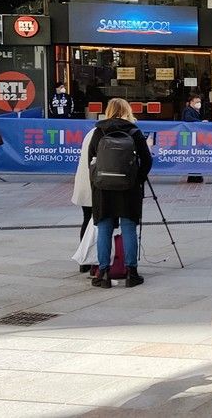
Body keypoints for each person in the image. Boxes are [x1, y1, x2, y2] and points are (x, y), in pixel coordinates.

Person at [88, 98, 153, 288]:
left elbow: (90, 160)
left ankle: (103, 273)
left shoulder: (99, 132)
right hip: (128, 188)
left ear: (108, 111)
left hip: (103, 188)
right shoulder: (134, 132)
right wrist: (136, 179)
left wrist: (97, 181)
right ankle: (131, 273)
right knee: (129, 228)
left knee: (104, 229)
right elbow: (147, 160)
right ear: (127, 111)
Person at [72, 119, 98, 273]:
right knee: (100, 222)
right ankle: (94, 261)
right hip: (96, 183)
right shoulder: (103, 133)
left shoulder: (92, 132)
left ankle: (84, 261)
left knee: (87, 219)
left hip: (85, 181)